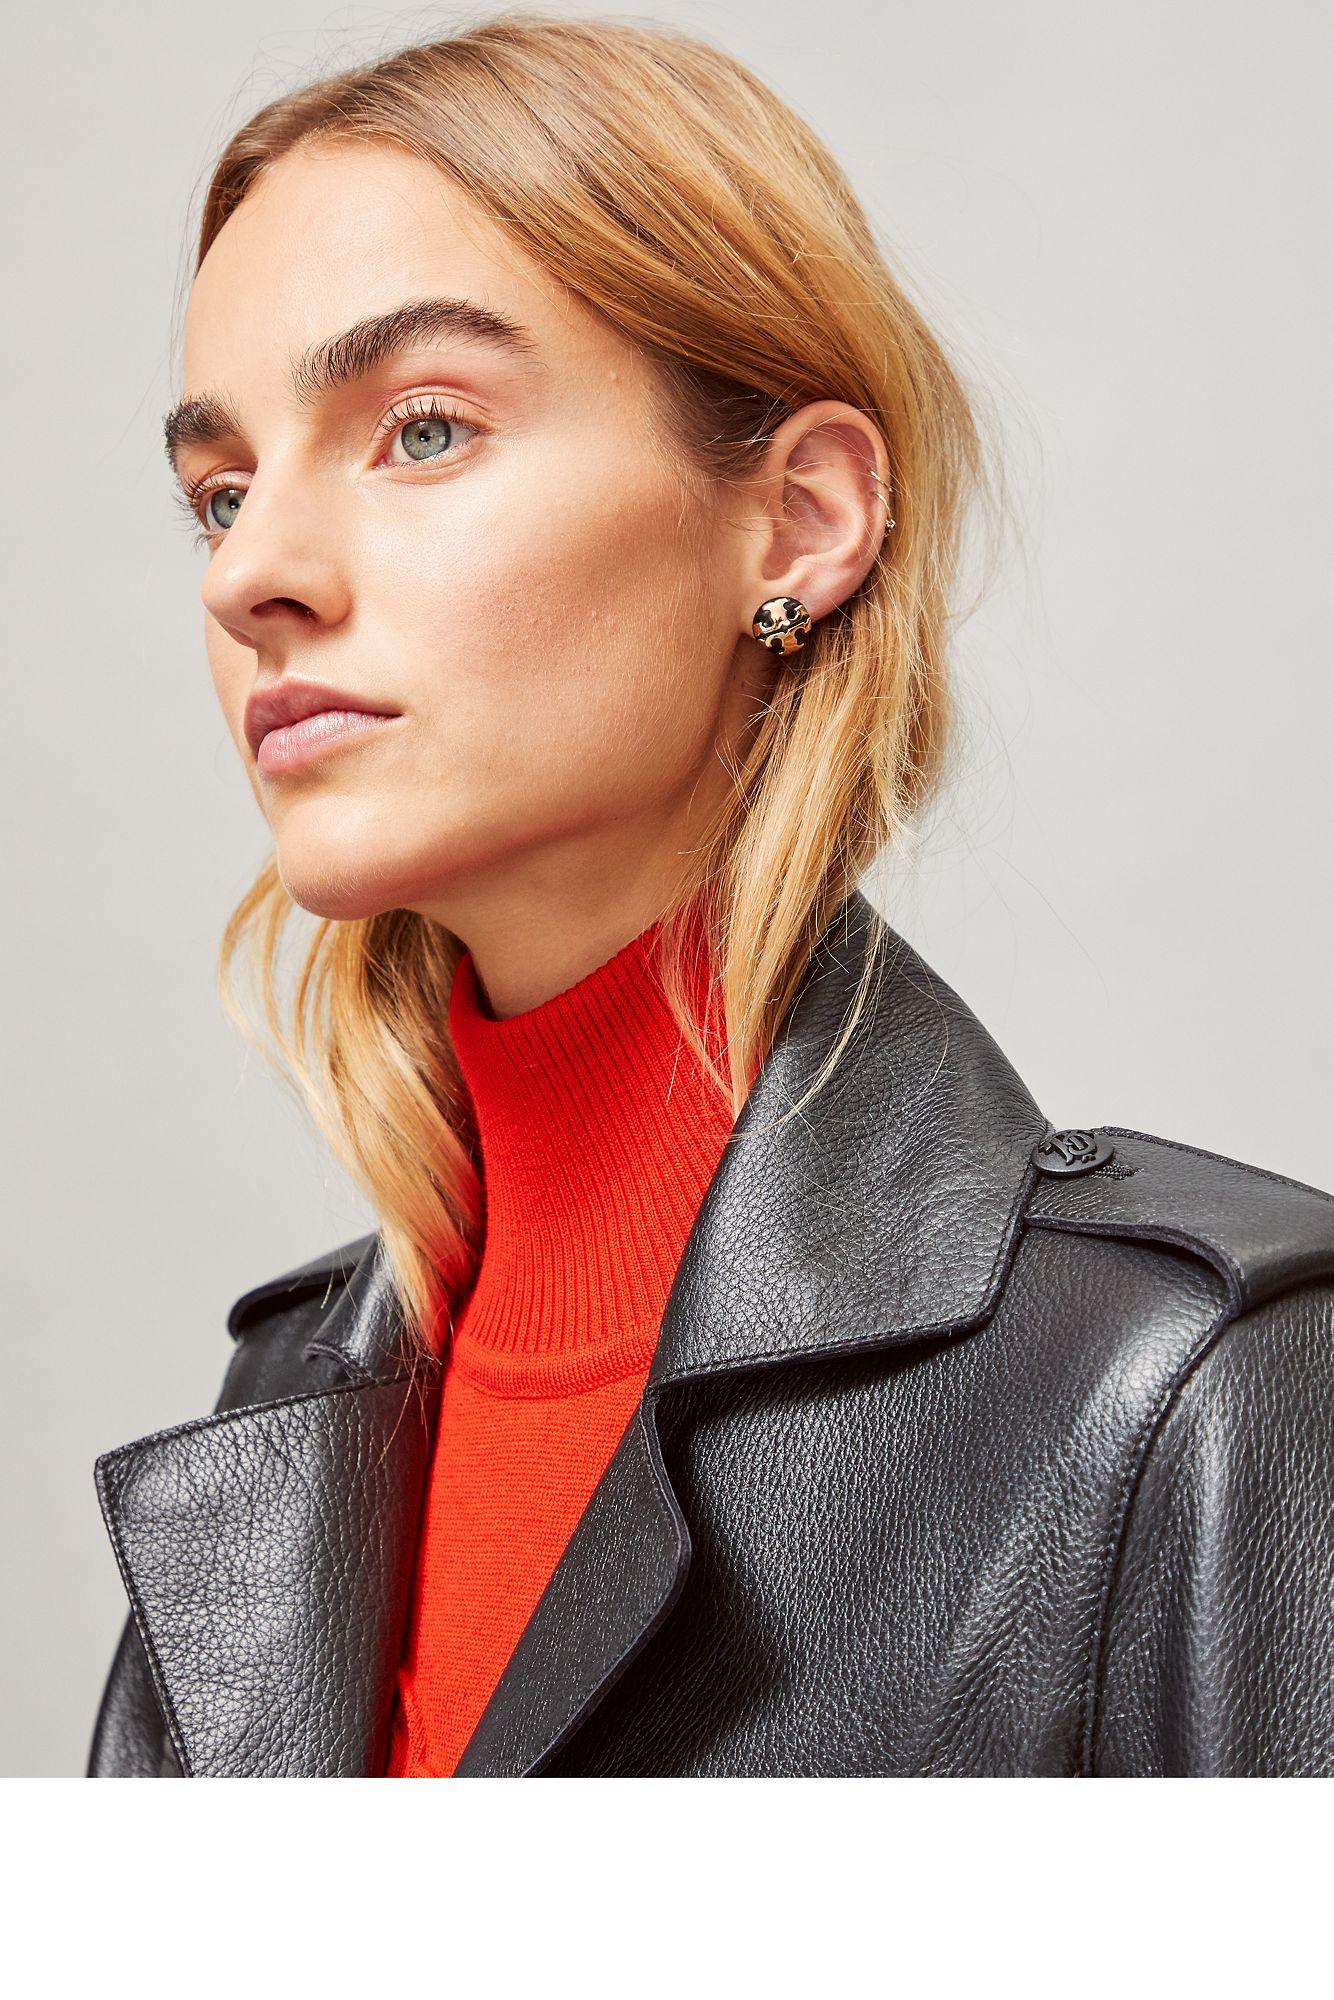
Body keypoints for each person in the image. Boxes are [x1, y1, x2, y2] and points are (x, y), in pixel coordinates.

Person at [87, 13, 1334, 1780]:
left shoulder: (1193, 1387)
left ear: (799, 519)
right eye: (219, 494)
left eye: (422, 429)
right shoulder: (289, 1415)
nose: (253, 576)